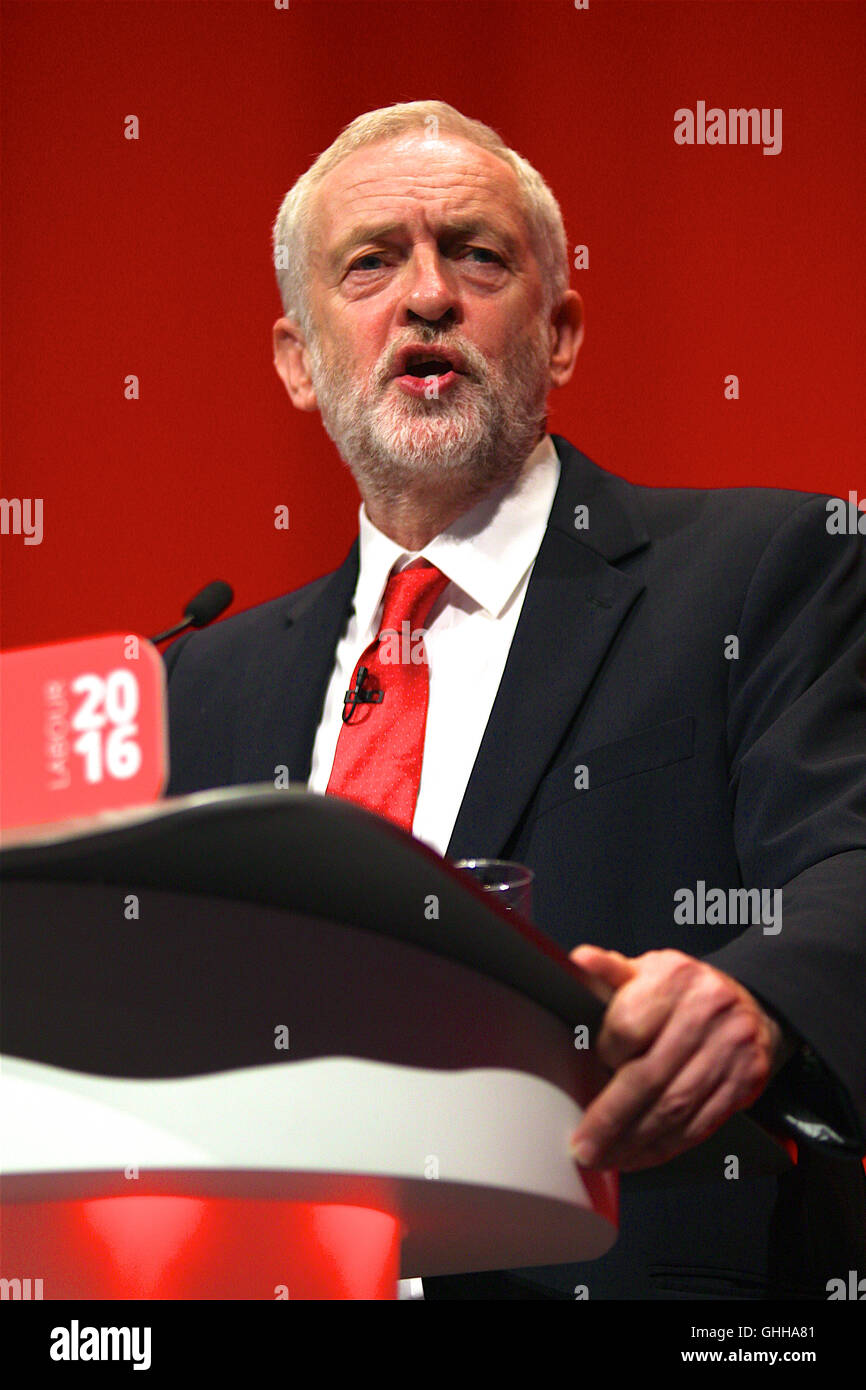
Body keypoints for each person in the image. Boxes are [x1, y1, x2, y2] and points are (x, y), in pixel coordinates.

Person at [164, 100, 866, 1299]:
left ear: (560, 332)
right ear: (298, 359)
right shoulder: (203, 682)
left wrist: (756, 1000)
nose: (426, 295)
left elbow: (850, 859)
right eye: (371, 261)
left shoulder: (761, 570)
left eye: (477, 255)